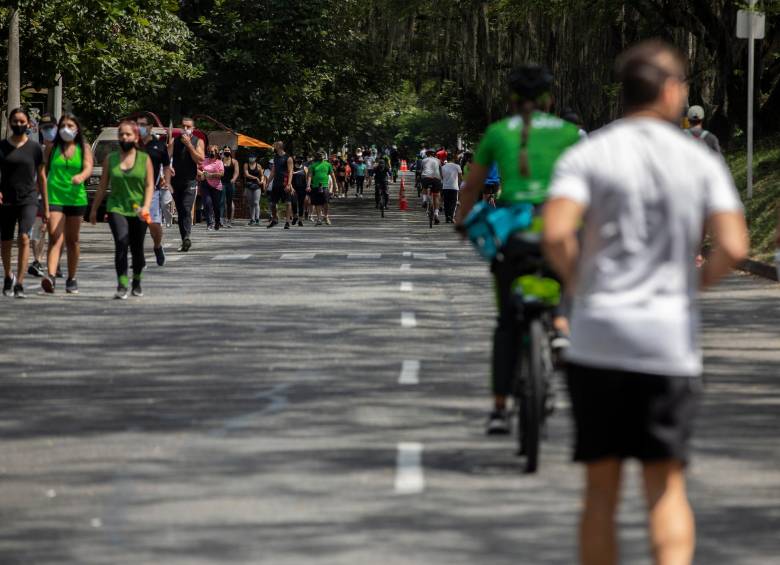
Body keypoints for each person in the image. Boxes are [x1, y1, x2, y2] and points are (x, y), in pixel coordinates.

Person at [542, 41, 747, 565]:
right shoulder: (696, 157)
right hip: (667, 341)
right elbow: (734, 245)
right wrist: (692, 290)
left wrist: (584, 284)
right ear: (673, 91)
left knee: (601, 492)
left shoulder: (589, 153)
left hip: (598, 339)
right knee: (665, 488)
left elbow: (556, 231)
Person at [455, 65, 581, 435]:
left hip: (512, 230)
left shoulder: (497, 132)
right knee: (569, 273)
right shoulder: (569, 133)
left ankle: (499, 408)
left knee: (507, 323)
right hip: (557, 224)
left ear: (510, 100)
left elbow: (471, 187)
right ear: (549, 99)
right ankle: (560, 324)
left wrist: (462, 222)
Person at [90, 120, 154, 298]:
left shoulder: (144, 159)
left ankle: (137, 280)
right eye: (121, 134)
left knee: (137, 248)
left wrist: (146, 207)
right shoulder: (111, 159)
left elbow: (149, 185)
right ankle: (122, 284)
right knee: (121, 242)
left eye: (128, 134)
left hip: (139, 209)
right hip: (116, 207)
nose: (124, 137)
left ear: (135, 137)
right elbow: (102, 186)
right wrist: (94, 209)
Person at [41, 113, 93, 294]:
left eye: (70, 126)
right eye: (63, 125)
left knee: (73, 240)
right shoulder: (51, 148)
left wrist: (81, 176)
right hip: (55, 197)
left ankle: (72, 278)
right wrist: (43, 200)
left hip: (76, 198)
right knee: (55, 237)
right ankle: (51, 276)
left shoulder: (83, 147)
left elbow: (88, 167)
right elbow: (44, 173)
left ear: (77, 128)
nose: (66, 129)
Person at [0, 108, 48, 298]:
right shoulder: (2, 146)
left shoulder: (35, 149)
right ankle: (7, 276)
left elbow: (42, 178)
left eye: (22, 121)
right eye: (15, 121)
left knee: (24, 238)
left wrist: (45, 205)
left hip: (28, 199)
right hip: (7, 200)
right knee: (5, 241)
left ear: (28, 124)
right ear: (10, 122)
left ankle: (19, 282)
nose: (18, 125)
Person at [136, 115, 171, 267]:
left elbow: (167, 166)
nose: (139, 128)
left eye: (143, 125)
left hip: (153, 191)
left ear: (150, 127)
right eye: (137, 125)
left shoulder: (159, 146)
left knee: (153, 226)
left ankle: (157, 246)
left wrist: (167, 182)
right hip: (134, 191)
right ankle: (138, 256)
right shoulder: (133, 144)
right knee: (136, 225)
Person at [28, 113, 58, 278]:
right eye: (44, 128)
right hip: (40, 196)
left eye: (50, 127)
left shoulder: (62, 149)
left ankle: (54, 262)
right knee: (38, 228)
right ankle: (37, 261)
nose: (48, 131)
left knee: (53, 232)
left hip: (59, 196)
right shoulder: (36, 149)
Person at [168, 117, 204, 252]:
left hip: (190, 181)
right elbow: (167, 158)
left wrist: (189, 145)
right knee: (181, 211)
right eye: (183, 126)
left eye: (189, 127)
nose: (186, 129)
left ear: (193, 129)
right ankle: (185, 240)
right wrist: (168, 167)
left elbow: (200, 159)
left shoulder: (197, 141)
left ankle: (187, 236)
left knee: (186, 208)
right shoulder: (174, 141)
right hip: (176, 181)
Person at [266, 141, 294, 229]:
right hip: (276, 183)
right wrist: (268, 182)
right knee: (272, 203)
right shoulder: (275, 157)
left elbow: (290, 172)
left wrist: (289, 184)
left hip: (285, 183)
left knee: (288, 203)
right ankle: (275, 219)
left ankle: (287, 222)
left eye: (276, 145)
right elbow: (273, 171)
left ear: (280, 146)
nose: (274, 146)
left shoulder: (288, 158)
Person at [197, 144, 224, 231]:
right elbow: (196, 168)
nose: (210, 153)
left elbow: (221, 174)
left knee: (216, 206)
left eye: (212, 151)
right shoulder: (204, 160)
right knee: (207, 204)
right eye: (209, 151)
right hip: (205, 185)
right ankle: (209, 223)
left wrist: (211, 175)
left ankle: (217, 222)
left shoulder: (219, 162)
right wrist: (202, 174)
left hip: (216, 187)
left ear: (216, 152)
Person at [307, 151, 337, 226]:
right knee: (317, 203)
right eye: (319, 156)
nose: (320, 157)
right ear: (316, 157)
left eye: (321, 156)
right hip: (315, 186)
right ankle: (319, 218)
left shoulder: (328, 165)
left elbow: (332, 175)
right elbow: (310, 176)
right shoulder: (313, 166)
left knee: (326, 202)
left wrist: (335, 185)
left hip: (325, 186)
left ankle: (326, 216)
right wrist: (308, 185)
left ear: (324, 157)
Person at [420, 149, 443, 224]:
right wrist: (441, 179)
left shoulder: (423, 160)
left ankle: (424, 200)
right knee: (436, 196)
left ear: (426, 154)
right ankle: (436, 214)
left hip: (426, 177)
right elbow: (440, 171)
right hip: (436, 179)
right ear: (434, 154)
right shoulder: (438, 160)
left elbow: (421, 169)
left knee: (424, 188)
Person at [220, 146, 239, 227]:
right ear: (223, 151)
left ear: (230, 151)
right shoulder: (220, 161)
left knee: (229, 202)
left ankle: (229, 220)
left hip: (230, 183)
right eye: (225, 150)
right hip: (222, 183)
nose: (227, 151)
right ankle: (221, 219)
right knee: (221, 201)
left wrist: (234, 179)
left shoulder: (234, 161)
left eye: (228, 150)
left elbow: (236, 172)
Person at [441, 157, 462, 223]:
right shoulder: (457, 166)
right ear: (453, 160)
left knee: (446, 203)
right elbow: (460, 177)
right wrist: (460, 183)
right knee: (453, 202)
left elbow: (441, 177)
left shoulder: (443, 167)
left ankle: (447, 217)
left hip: (445, 187)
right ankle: (452, 217)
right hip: (454, 187)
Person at [244, 155, 263, 225]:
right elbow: (246, 174)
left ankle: (257, 218)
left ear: (255, 158)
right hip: (249, 185)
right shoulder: (246, 165)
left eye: (253, 157)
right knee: (251, 203)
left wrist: (262, 180)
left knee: (256, 202)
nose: (251, 158)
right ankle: (252, 219)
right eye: (250, 157)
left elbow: (262, 175)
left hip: (257, 186)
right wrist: (256, 178)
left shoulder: (258, 166)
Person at [290, 157, 307, 226]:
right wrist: (290, 187)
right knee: (293, 203)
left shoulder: (305, 168)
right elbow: (289, 178)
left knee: (301, 204)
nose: (299, 163)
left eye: (300, 161)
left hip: (302, 188)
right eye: (297, 161)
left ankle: (300, 220)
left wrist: (308, 186)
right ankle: (295, 216)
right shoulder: (292, 168)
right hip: (293, 188)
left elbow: (308, 178)